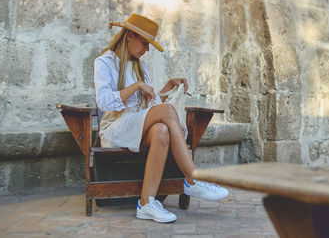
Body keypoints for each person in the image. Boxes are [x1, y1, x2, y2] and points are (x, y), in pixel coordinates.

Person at [94, 13, 229, 223]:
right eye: (145, 43)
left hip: (137, 125)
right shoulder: (104, 62)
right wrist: (137, 86)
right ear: (129, 35)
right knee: (165, 113)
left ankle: (146, 203)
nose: (146, 50)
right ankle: (193, 179)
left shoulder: (142, 67)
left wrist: (167, 86)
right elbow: (103, 102)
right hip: (115, 128)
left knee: (161, 131)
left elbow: (151, 104)